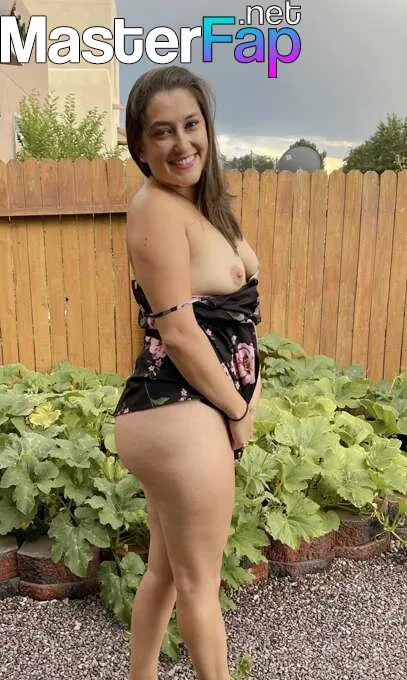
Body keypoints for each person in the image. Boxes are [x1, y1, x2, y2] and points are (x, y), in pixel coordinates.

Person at [113, 65, 262, 680]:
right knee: (202, 583)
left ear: (208, 127)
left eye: (191, 125)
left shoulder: (204, 207)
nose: (182, 143)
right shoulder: (154, 208)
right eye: (162, 131)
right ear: (140, 145)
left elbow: (241, 322)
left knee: (168, 572)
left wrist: (244, 396)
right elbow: (177, 333)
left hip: (189, 411)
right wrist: (238, 409)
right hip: (178, 407)